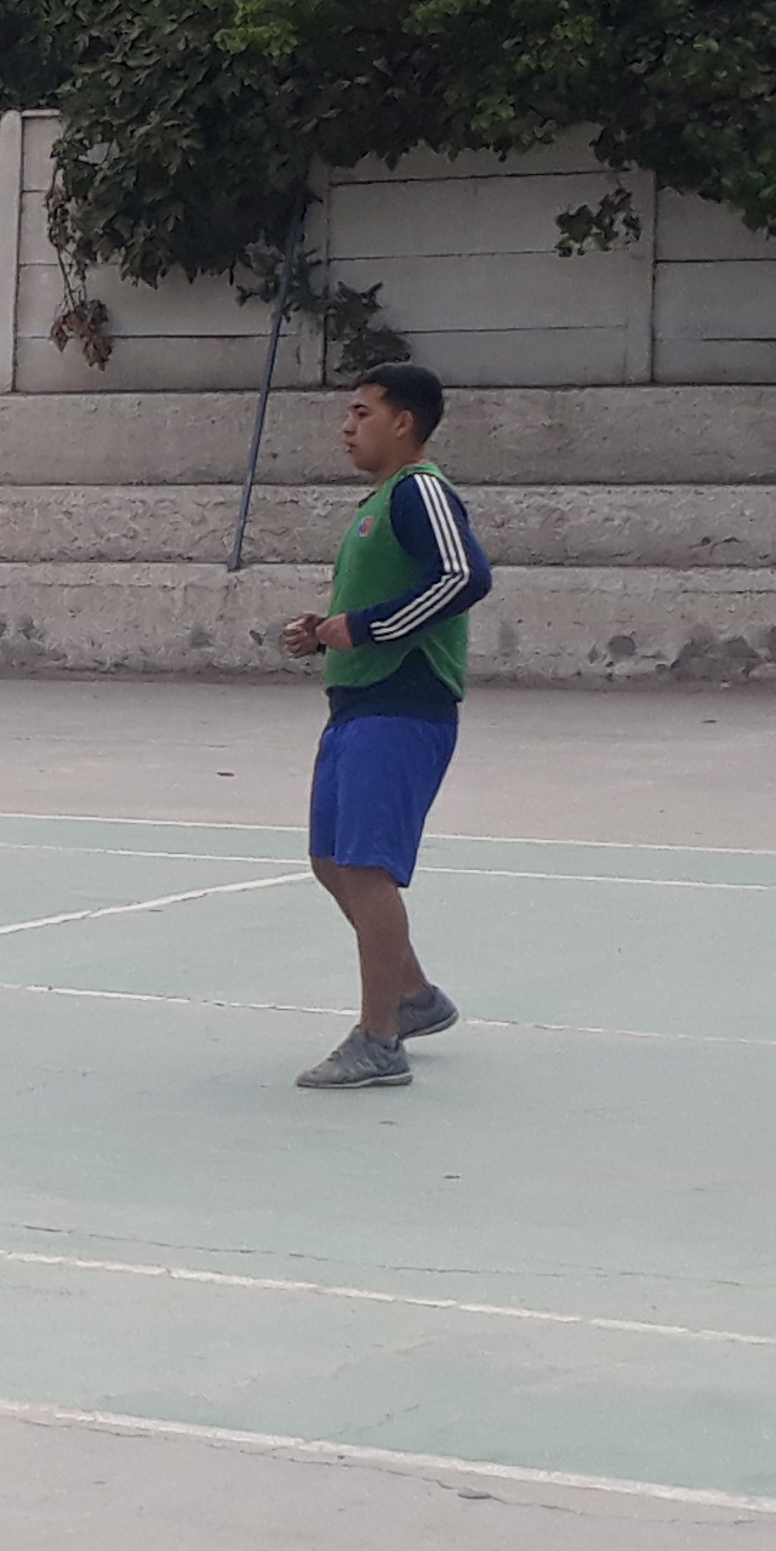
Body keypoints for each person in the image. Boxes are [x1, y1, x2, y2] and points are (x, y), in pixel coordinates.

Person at [280, 363, 489, 1091]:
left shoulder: (420, 491)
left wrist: (365, 628)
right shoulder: (380, 503)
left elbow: (464, 576)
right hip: (357, 704)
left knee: (366, 869)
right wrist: (326, 632)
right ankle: (415, 997)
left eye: (362, 413)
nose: (347, 426)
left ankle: (379, 1040)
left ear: (404, 423)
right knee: (332, 861)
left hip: (403, 704)